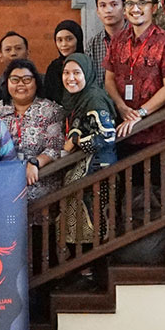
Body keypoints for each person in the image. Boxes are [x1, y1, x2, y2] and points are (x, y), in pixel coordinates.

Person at [104, 0, 165, 148]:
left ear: (153, 8)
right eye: (130, 4)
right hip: (122, 128)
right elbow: (109, 79)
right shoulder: (118, 39)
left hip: (155, 132)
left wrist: (140, 114)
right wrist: (121, 106)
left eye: (142, 3)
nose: (135, 9)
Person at [56, 55, 119, 250]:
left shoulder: (94, 97)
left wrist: (76, 142)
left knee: (97, 221)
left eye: (77, 73)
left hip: (99, 169)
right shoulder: (77, 98)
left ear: (88, 74)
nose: (70, 78)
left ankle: (94, 268)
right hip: (86, 166)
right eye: (66, 73)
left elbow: (107, 135)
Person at [0, 58, 66, 198]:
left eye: (26, 79)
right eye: (14, 80)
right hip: (5, 183)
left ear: (36, 82)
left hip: (40, 182)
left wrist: (35, 162)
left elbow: (55, 147)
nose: (20, 84)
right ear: (6, 83)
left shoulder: (51, 110)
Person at [85, 0, 128, 72]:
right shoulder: (93, 44)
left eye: (114, 4)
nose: (108, 10)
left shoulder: (139, 38)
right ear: (98, 12)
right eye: (103, 5)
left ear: (124, 8)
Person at [43, 21, 85, 108]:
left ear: (78, 39)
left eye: (69, 39)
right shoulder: (54, 68)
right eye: (59, 40)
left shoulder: (86, 65)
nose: (64, 44)